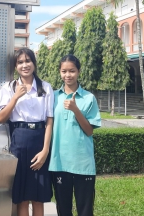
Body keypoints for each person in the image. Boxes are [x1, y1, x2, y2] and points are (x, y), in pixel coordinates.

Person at [0, 48, 54, 216]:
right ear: (15, 66)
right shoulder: (8, 88)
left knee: (38, 195)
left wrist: (45, 150)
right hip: (19, 140)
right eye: (20, 62)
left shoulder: (45, 87)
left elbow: (49, 120)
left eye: (28, 61)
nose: (25, 65)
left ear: (34, 63)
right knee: (22, 195)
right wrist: (15, 97)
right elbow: (1, 117)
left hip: (39, 140)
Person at [49, 55, 101, 216]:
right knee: (63, 210)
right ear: (59, 72)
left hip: (82, 163)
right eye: (64, 71)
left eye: (72, 71)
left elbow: (89, 130)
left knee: (85, 211)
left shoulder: (88, 98)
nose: (68, 75)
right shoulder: (53, 97)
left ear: (78, 72)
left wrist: (75, 109)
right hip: (59, 162)